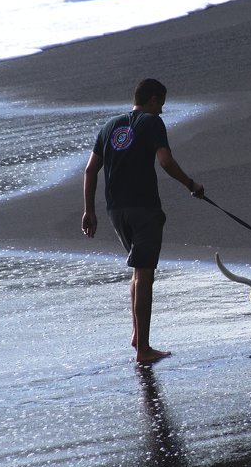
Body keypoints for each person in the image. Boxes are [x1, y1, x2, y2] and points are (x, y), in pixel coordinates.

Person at [82, 78, 205, 363]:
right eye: (160, 104)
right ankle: (144, 350)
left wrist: (89, 210)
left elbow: (90, 170)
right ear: (152, 100)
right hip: (144, 208)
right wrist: (190, 184)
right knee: (145, 274)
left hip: (116, 210)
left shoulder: (109, 126)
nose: (161, 111)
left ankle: (138, 335)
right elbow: (164, 160)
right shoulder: (151, 122)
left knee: (138, 270)